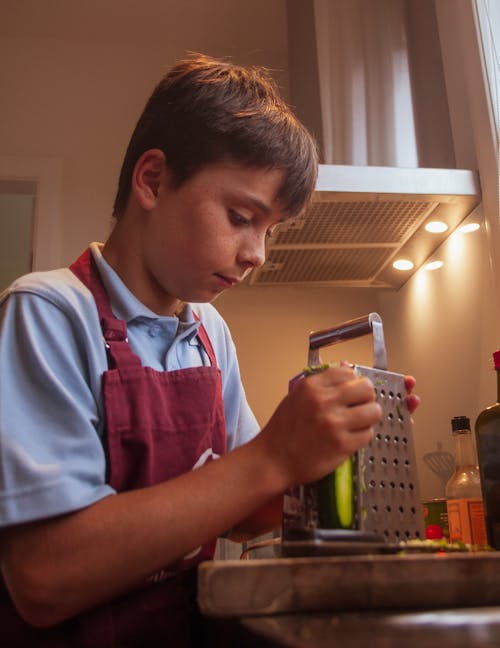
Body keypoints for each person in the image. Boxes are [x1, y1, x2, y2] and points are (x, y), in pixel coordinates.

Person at [0, 53, 419, 646]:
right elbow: (43, 576)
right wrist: (273, 456)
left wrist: (327, 453)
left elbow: (244, 508)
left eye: (269, 231)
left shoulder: (208, 332)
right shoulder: (48, 314)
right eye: (242, 217)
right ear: (152, 180)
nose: (258, 254)